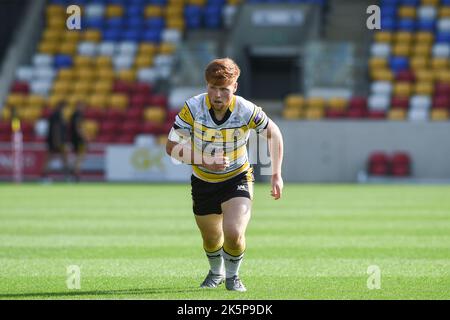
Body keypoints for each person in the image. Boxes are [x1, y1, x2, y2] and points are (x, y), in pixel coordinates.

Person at [166, 58, 284, 292]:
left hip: (237, 178)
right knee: (211, 238)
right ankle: (216, 272)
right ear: (206, 85)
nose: (217, 95)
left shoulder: (245, 110)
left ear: (235, 87)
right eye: (212, 88)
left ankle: (233, 276)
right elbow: (171, 146)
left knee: (233, 232)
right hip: (203, 181)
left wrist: (276, 174)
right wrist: (206, 160)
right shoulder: (193, 108)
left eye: (224, 89)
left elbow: (274, 134)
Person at [42, 101, 69, 181]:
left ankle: (45, 176)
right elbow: (56, 129)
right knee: (52, 158)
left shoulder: (57, 115)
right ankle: (44, 176)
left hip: (55, 141)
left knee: (60, 158)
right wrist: (57, 141)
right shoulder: (57, 115)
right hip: (56, 141)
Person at [69, 102, 87, 181]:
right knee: (80, 156)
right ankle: (76, 174)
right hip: (79, 140)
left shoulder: (74, 115)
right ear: (78, 106)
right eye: (82, 106)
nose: (83, 108)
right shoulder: (78, 115)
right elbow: (78, 128)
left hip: (74, 139)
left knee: (79, 156)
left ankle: (75, 173)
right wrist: (84, 137)